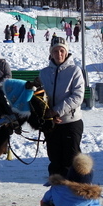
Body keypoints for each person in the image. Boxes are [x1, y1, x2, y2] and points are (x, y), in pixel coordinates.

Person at [39, 37, 85, 177]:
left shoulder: (75, 71)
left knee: (71, 161)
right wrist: (48, 115)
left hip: (71, 123)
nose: (59, 54)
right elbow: (40, 97)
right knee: (55, 161)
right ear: (51, 53)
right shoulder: (44, 73)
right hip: (52, 124)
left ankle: (75, 189)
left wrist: (57, 111)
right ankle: (57, 189)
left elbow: (77, 96)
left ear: (66, 52)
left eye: (62, 50)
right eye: (55, 51)